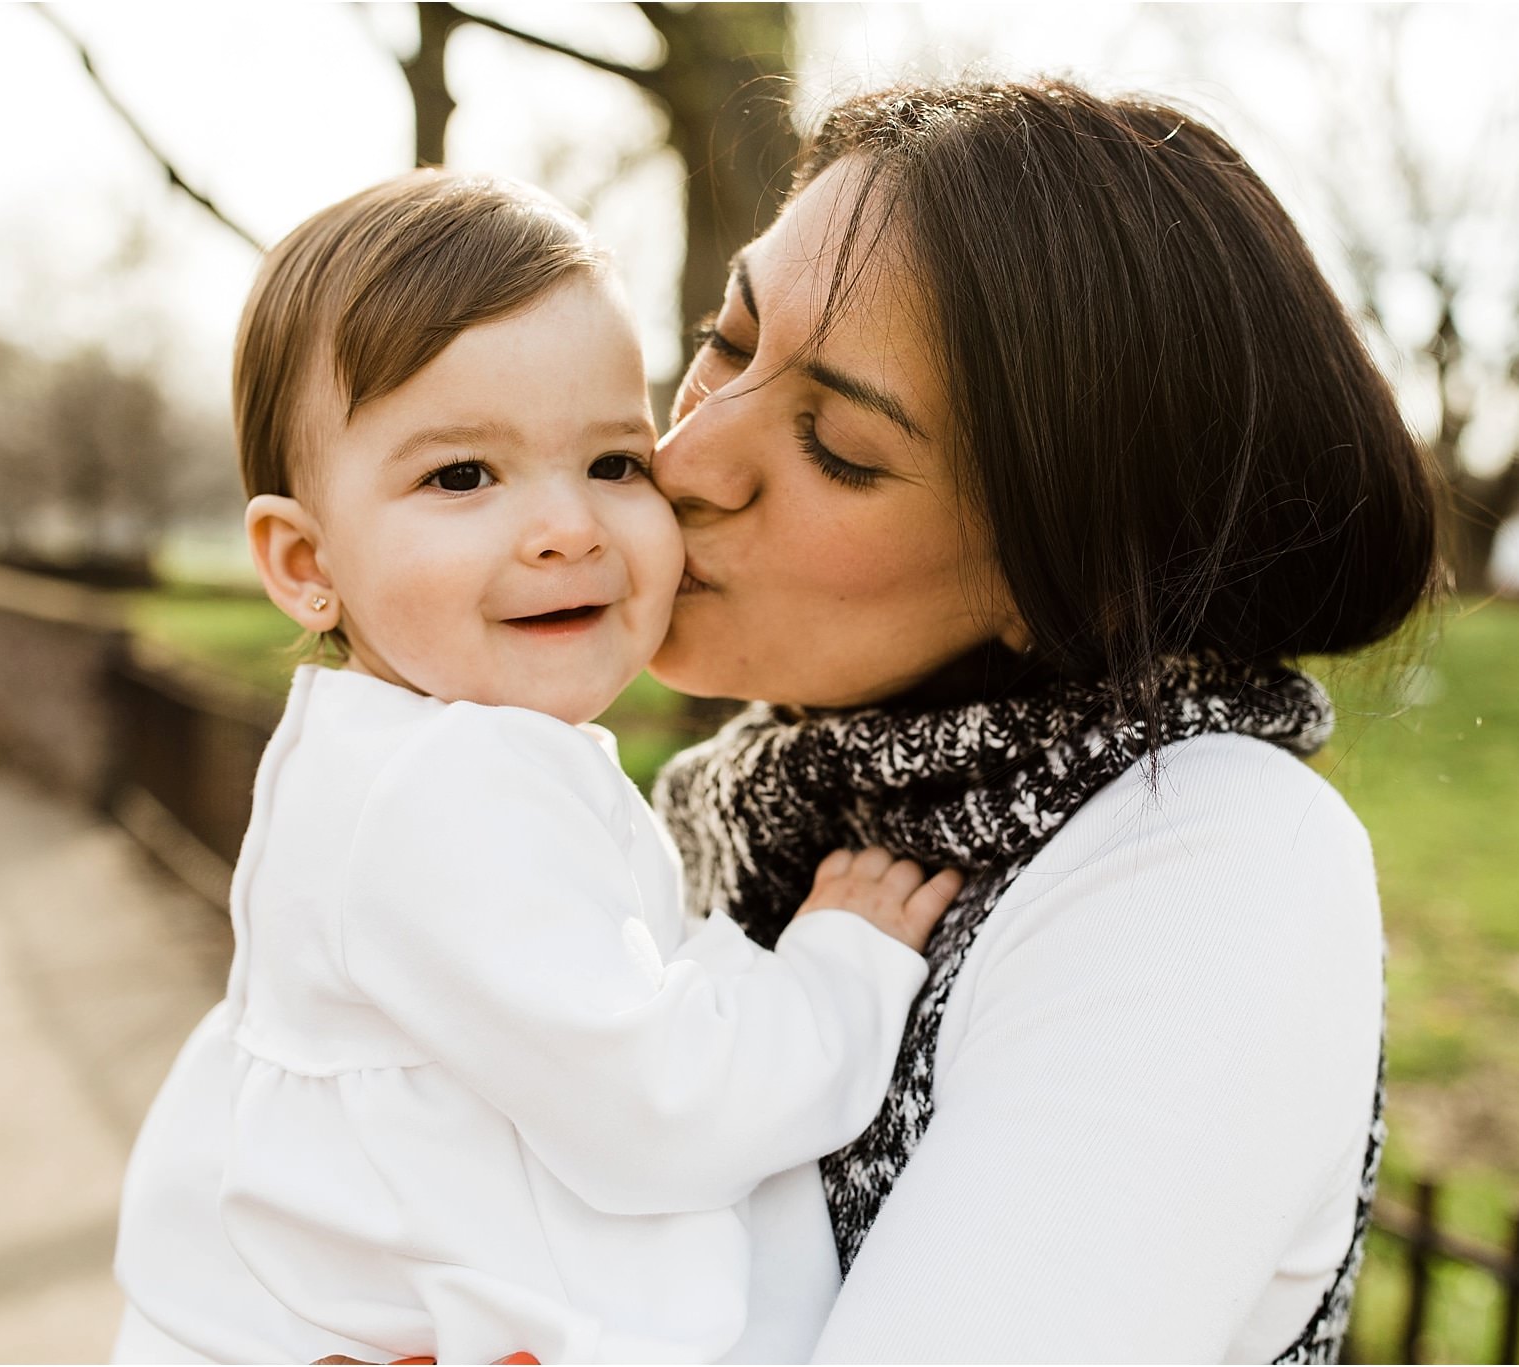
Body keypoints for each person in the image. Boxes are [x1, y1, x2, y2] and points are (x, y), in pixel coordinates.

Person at [108, 170, 967, 1365]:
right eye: (461, 476)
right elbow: (659, 1105)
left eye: (616, 462)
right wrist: (838, 971)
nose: (566, 524)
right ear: (306, 559)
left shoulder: (397, 761)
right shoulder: (443, 788)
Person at [642, 78, 1441, 1362]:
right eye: (726, 341)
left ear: (1066, 578)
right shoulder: (747, 803)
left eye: (838, 445)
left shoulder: (1206, 858)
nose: (683, 457)